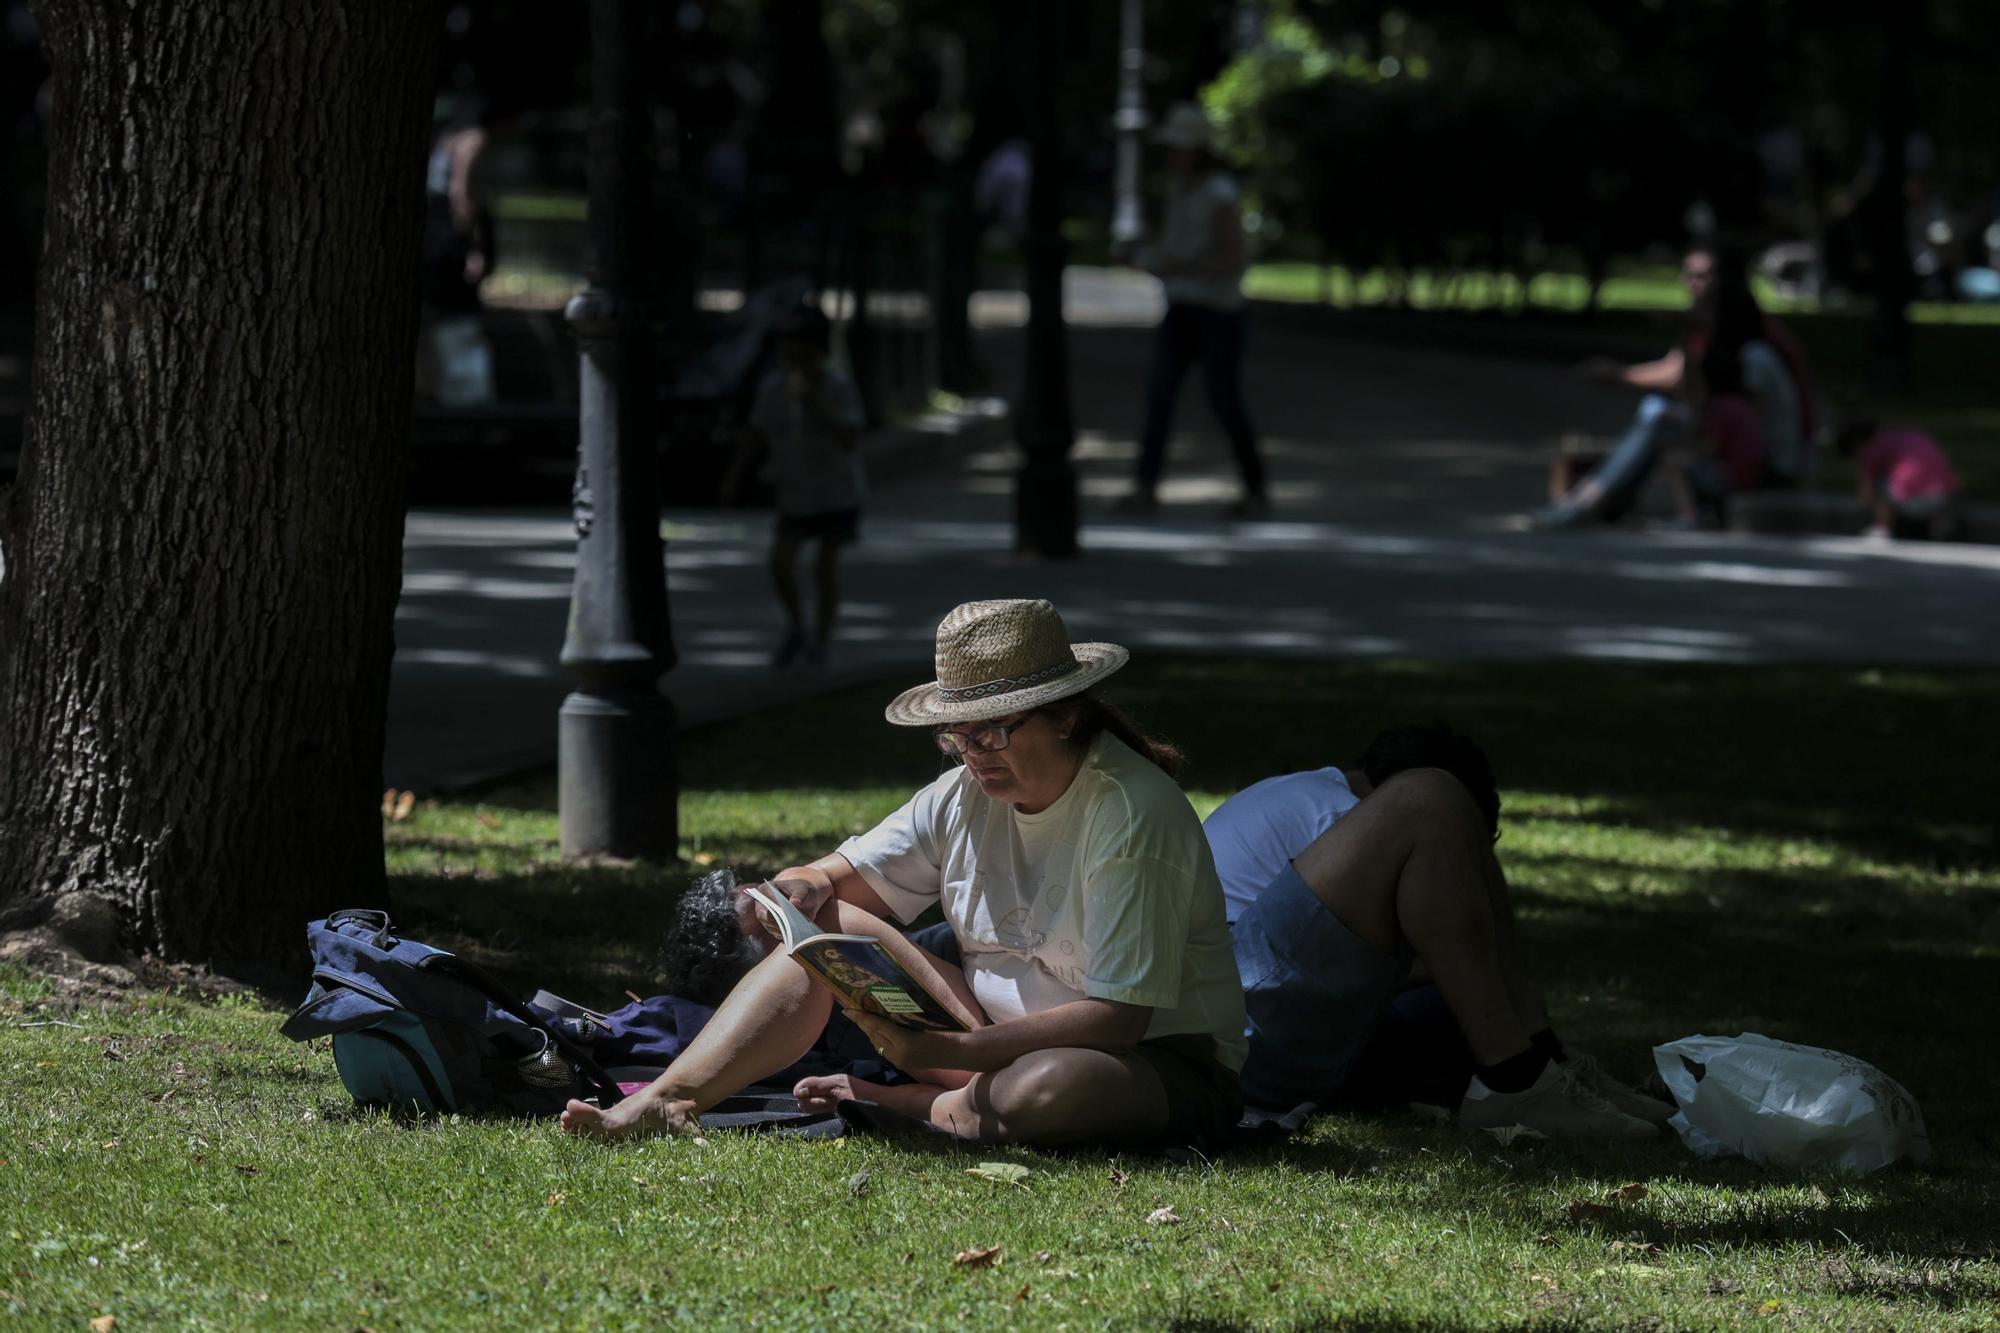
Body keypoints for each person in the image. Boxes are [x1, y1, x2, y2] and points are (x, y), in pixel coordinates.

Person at [561, 599, 1249, 1151]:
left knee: (1048, 1085)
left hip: (1144, 1066)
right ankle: (669, 1100)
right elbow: (838, 884)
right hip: (983, 1046)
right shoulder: (961, 794)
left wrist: (954, 1048)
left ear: (1065, 714)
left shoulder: (1130, 812)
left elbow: (1120, 1019)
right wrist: (801, 883)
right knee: (818, 930)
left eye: (991, 733)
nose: (972, 756)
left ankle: (910, 1106)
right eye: (957, 737)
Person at [1202, 722, 1672, 1138]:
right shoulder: (1340, 818)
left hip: (1241, 1008)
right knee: (1429, 798)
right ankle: (1516, 1081)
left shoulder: (1307, 793)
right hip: (1233, 1028)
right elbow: (1445, 958)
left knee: (1453, 1008)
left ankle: (1549, 1066)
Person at [1537, 244, 1815, 528]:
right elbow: (1679, 370)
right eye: (1688, 274)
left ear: (1725, 284)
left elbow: (1747, 429)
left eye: (1703, 276)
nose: (1692, 284)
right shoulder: (1715, 334)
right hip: (1735, 450)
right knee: (1658, 412)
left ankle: (1588, 502)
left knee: (1660, 421)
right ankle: (1600, 502)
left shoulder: (1756, 349)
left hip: (1767, 463)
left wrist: (1619, 376)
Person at [1116, 103, 1268, 520]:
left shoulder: (1220, 192)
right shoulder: (1178, 190)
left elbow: (1234, 257)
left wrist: (1180, 265)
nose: (1174, 155)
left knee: (1224, 400)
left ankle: (1256, 489)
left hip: (1218, 311)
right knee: (1159, 398)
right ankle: (1145, 487)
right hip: (1181, 307)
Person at [724, 305, 867, 668]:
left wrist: (812, 400)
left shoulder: (837, 386)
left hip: (836, 491)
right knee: (781, 561)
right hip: (796, 492)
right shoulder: (773, 389)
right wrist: (736, 475)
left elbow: (849, 437)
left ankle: (820, 639)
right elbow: (756, 434)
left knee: (825, 566)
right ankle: (796, 626)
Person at [418, 97, 500, 406]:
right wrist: (474, 247)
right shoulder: (473, 139)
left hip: (434, 233)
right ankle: (467, 399)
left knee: (440, 316)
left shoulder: (444, 138)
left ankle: (438, 392)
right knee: (460, 317)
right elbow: (462, 193)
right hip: (451, 239)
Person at [1837, 420, 1962, 540]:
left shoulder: (1872, 448)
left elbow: (1867, 492)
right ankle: (1938, 524)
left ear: (1856, 442)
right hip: (1946, 492)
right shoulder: (1902, 434)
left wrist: (1865, 506)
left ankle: (1882, 528)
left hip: (1915, 497)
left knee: (1880, 482)